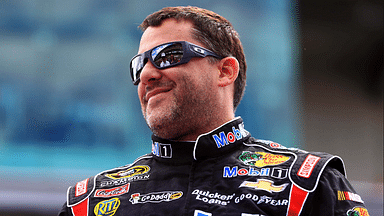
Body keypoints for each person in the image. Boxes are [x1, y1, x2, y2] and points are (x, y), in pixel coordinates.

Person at [58, 6, 370, 216]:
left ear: (224, 71)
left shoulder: (307, 183)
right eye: (140, 64)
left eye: (169, 55)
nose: (147, 75)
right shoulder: (89, 200)